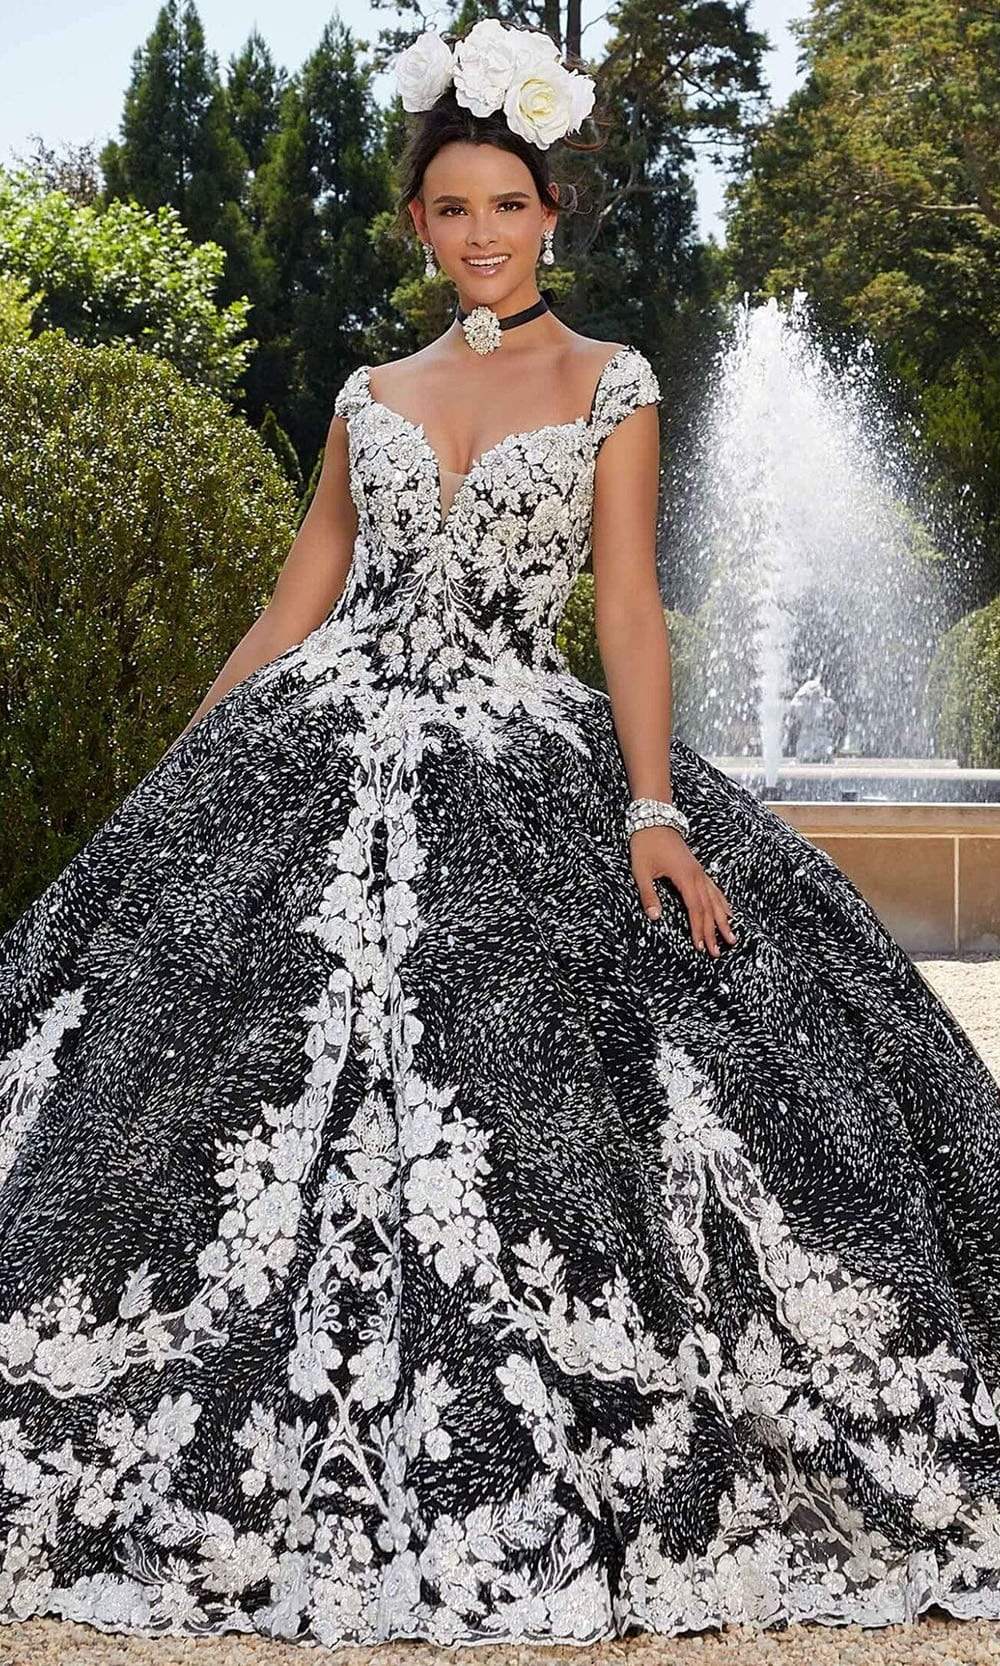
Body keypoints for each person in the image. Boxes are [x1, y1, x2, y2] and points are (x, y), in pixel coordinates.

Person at [2, 16, 1000, 1654]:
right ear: (419, 223)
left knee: (567, 1056)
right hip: (319, 736)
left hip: (519, 749)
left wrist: (655, 807)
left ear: (551, 214)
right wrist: (182, 766)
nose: (482, 233)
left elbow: (625, 607)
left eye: (509, 205)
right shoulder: (369, 393)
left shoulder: (612, 381)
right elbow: (297, 599)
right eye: (453, 207)